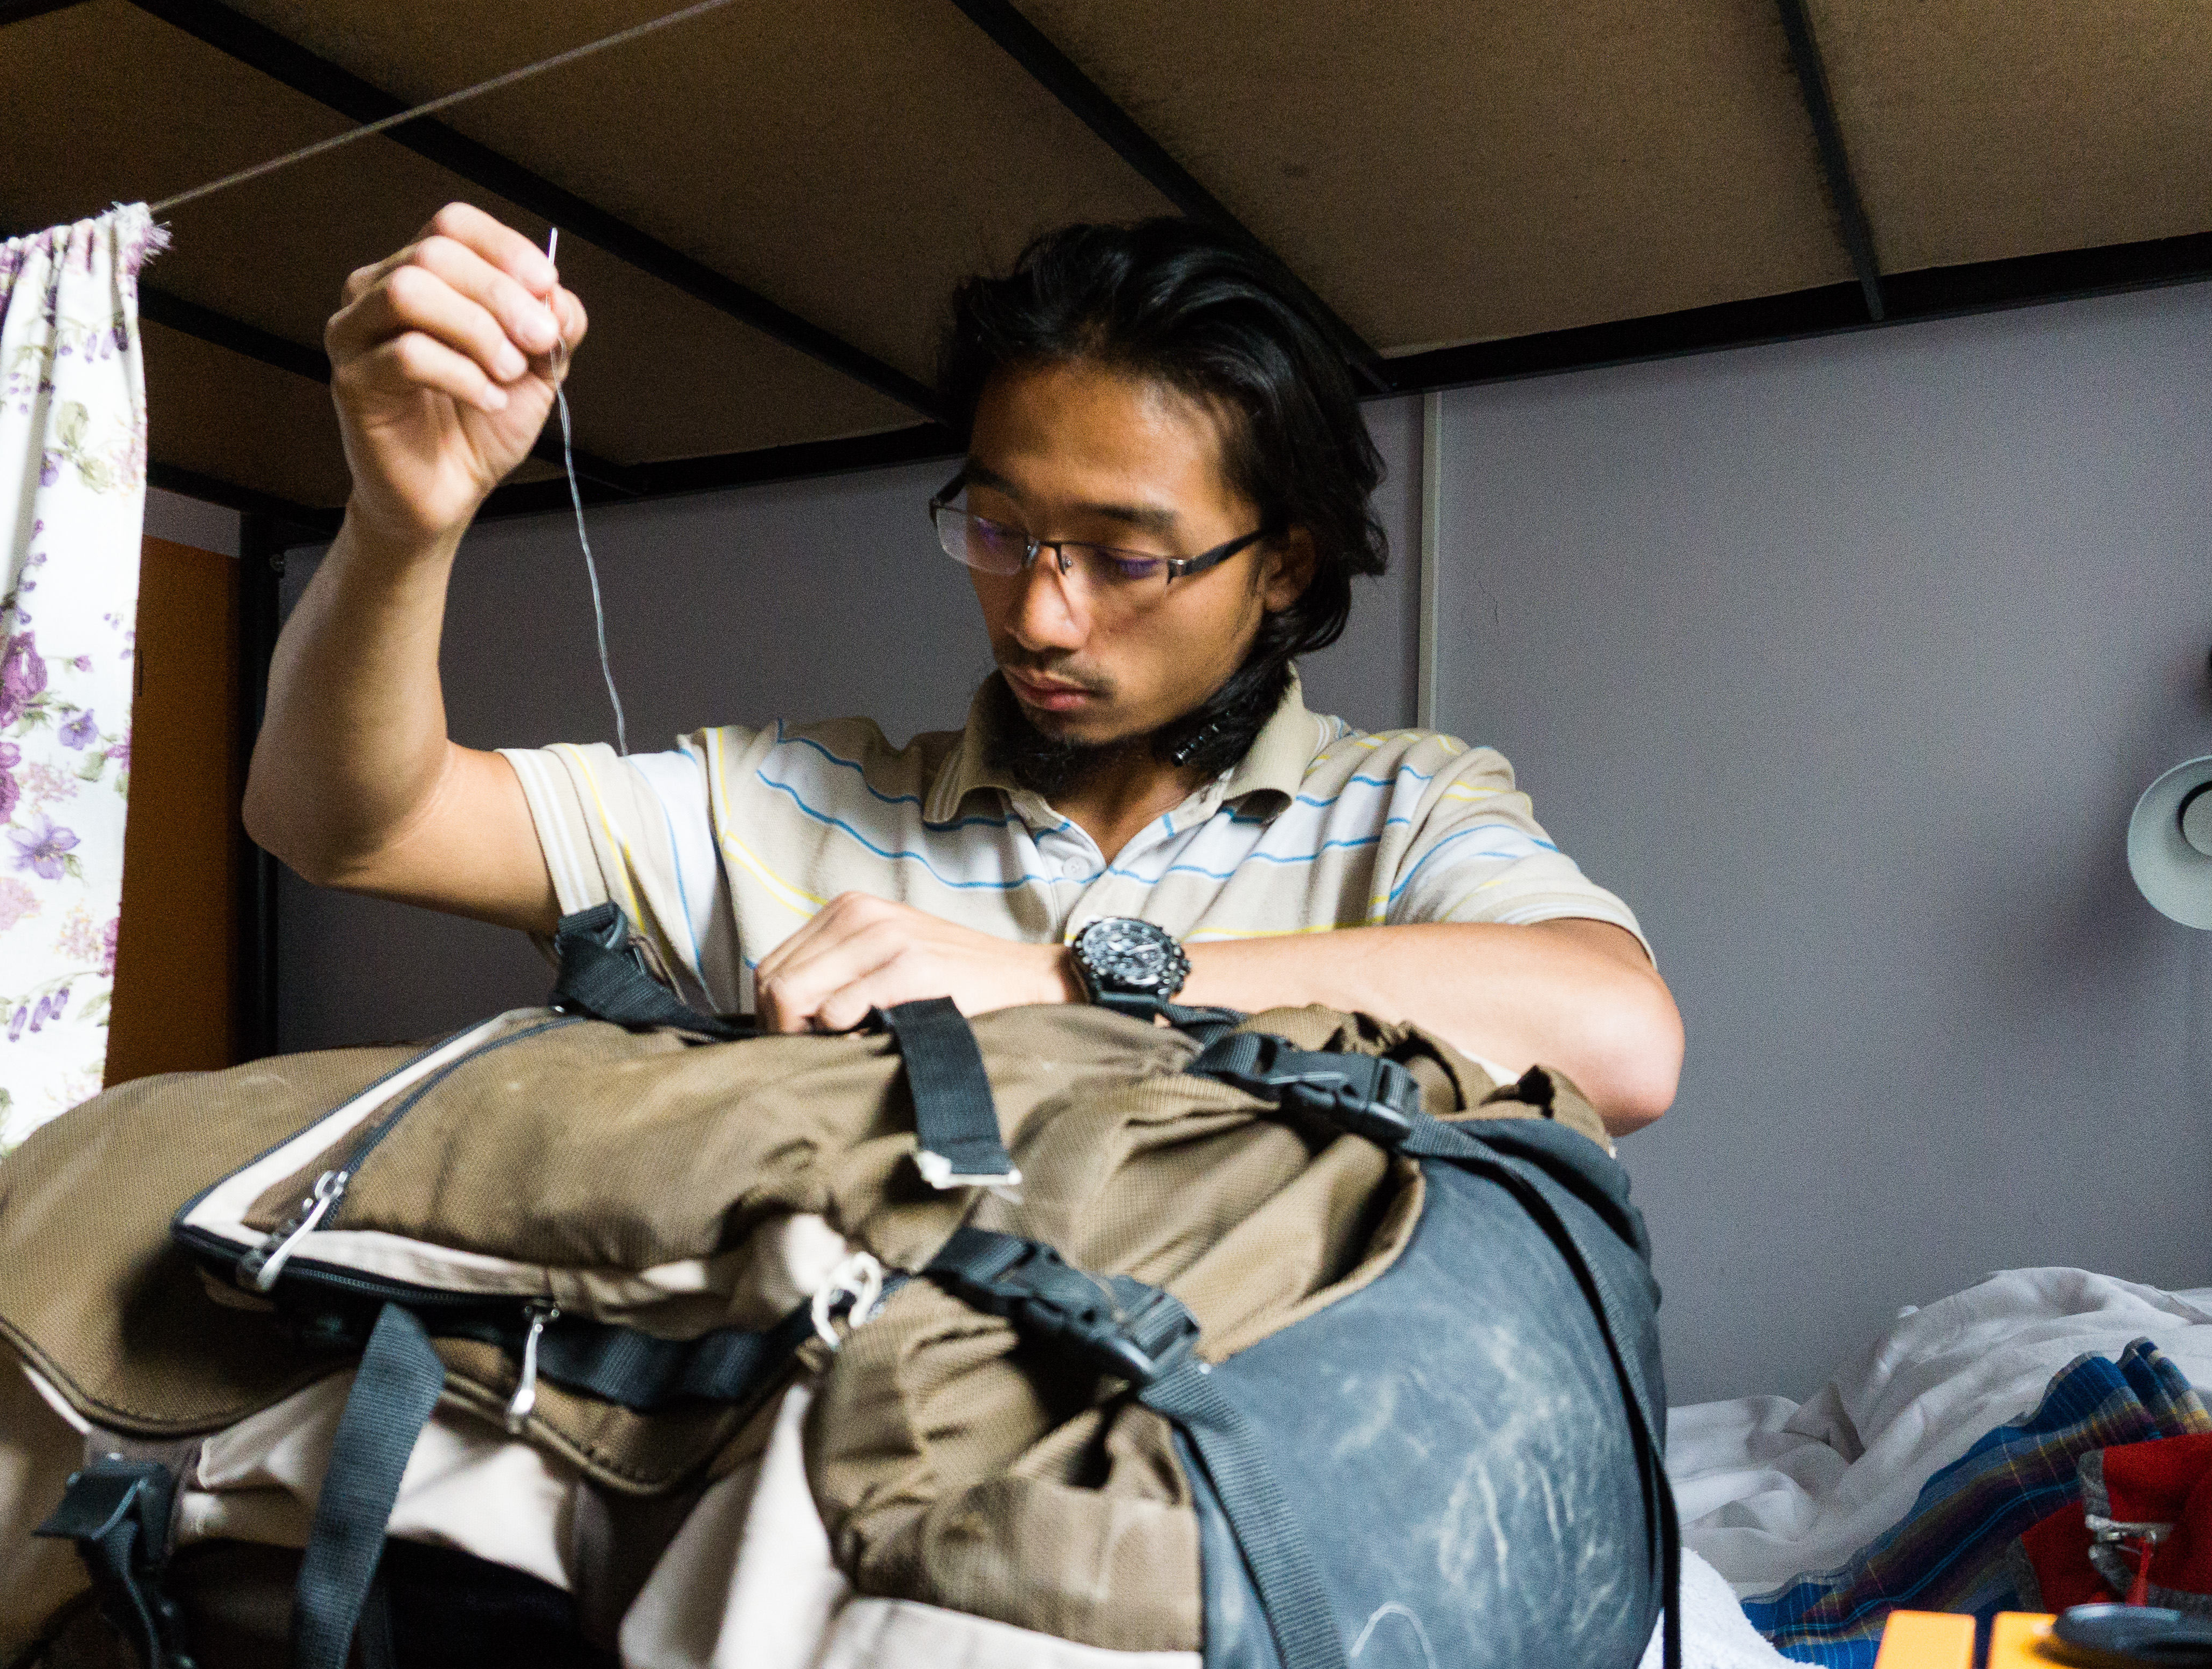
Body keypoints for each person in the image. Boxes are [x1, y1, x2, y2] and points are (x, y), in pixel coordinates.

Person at [245, 205, 1682, 1132]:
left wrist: (1059, 979)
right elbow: (340, 822)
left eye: (1127, 556)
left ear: (1286, 565)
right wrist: (397, 524)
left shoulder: (1403, 815)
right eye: (1000, 530)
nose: (1042, 619)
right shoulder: (790, 808)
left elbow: (1622, 1037)